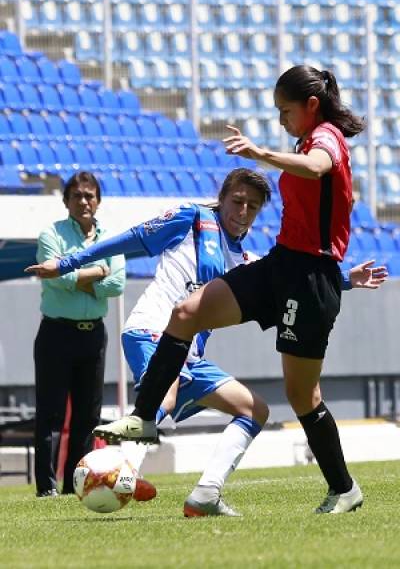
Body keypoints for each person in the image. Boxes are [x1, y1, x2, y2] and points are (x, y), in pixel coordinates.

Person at [86, 64, 386, 515]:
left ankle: (344, 488)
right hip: (282, 263)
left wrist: (259, 152)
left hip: (311, 280)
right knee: (186, 312)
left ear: (310, 106)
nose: (282, 119)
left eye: (285, 111)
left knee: (303, 396)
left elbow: (317, 167)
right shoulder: (307, 138)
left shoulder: (327, 139)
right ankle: (144, 419)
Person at [27, 164, 387, 516]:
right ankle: (119, 467)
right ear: (222, 198)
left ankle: (205, 494)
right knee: (166, 389)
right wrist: (69, 262)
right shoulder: (192, 218)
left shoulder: (246, 261)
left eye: (252, 207)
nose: (243, 212)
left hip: (188, 357)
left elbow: (287, 284)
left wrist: (345, 280)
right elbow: (133, 238)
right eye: (237, 201)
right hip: (151, 330)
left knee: (253, 410)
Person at [31, 171, 125, 497]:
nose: (84, 201)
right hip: (56, 333)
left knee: (88, 415)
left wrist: (77, 275)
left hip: (93, 337)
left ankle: (76, 485)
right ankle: (46, 488)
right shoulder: (51, 234)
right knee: (51, 414)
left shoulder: (110, 238)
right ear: (66, 201)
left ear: (98, 200)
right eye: (77, 196)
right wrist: (99, 271)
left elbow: (118, 285)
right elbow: (56, 279)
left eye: (90, 195)